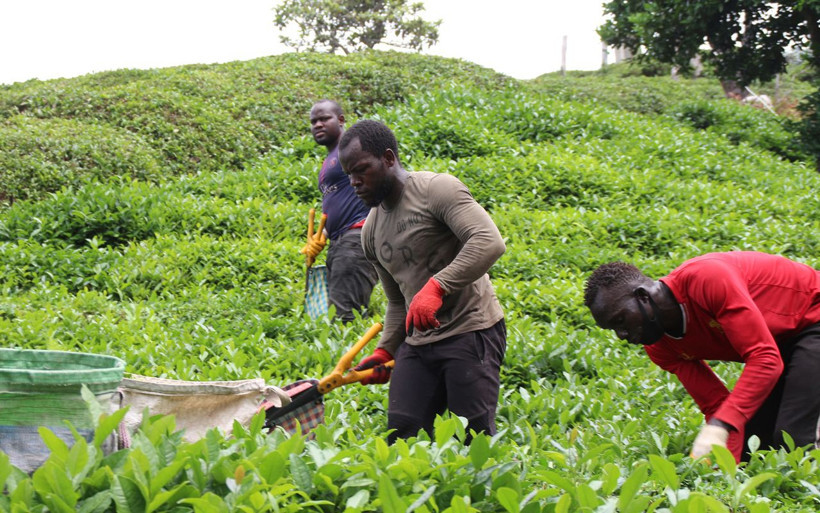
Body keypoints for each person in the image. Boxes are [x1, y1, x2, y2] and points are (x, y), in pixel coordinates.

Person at [338, 119, 507, 443]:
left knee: (472, 439)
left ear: (388, 158)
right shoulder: (370, 232)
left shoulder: (436, 190)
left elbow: (488, 241)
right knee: (401, 434)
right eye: (349, 175)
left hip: (470, 329)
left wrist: (437, 286)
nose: (355, 182)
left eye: (361, 170)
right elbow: (398, 302)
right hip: (417, 343)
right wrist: (386, 350)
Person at [584, 251, 820, 462]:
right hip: (782, 344)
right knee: (753, 444)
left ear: (643, 296)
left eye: (620, 320)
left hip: (813, 318)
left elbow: (764, 358)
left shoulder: (707, 278)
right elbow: (716, 404)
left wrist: (720, 425)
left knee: (793, 439)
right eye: (612, 329)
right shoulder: (660, 347)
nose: (621, 335)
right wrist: (724, 468)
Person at [301, 100, 378, 322]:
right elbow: (340, 201)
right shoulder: (330, 160)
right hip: (340, 241)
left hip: (357, 236)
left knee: (344, 317)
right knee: (332, 314)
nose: (318, 125)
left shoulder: (353, 147)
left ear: (341, 120)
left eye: (324, 119)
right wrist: (321, 237)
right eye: (313, 121)